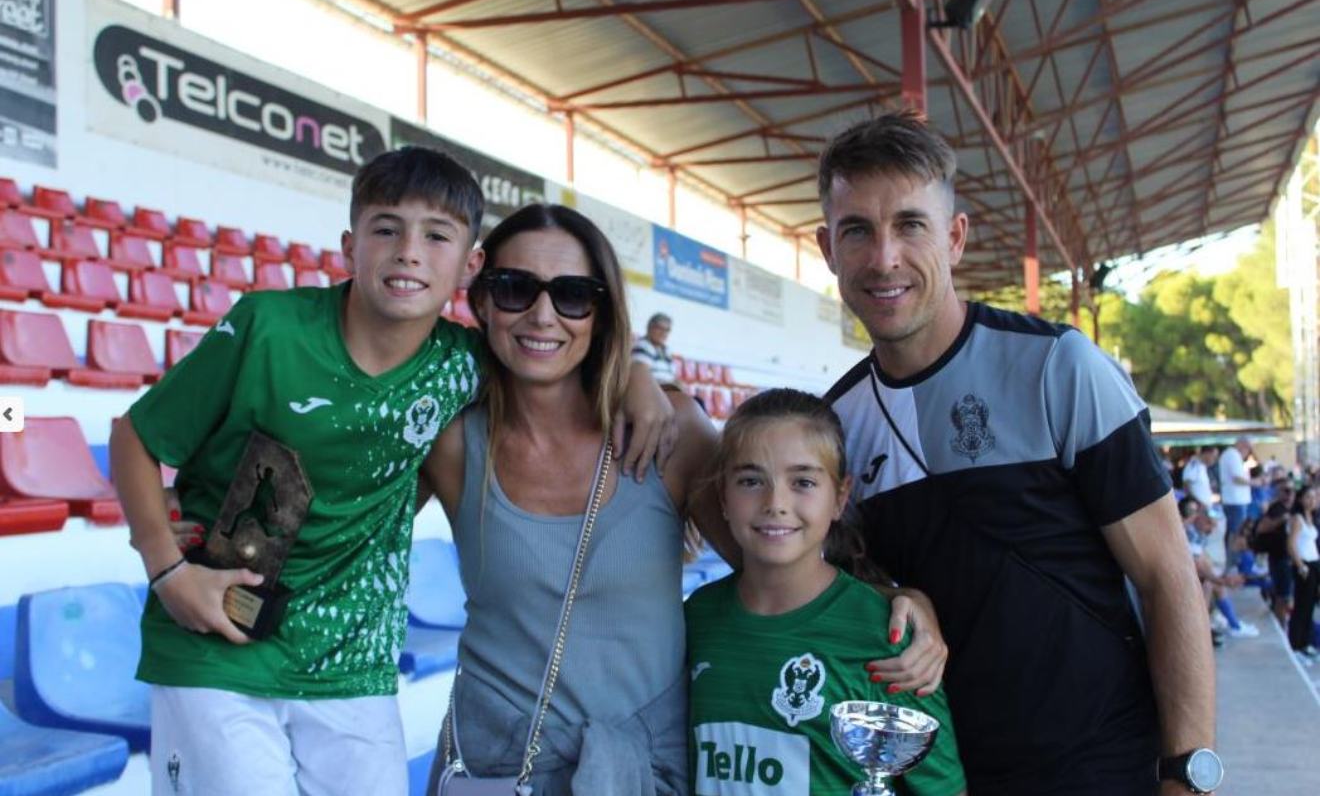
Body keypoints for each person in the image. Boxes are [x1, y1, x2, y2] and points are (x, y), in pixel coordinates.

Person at [109, 148, 675, 795]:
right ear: (350, 246)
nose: (409, 251)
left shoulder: (464, 364)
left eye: (436, 235)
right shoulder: (268, 327)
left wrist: (638, 376)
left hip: (353, 665)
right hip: (216, 644)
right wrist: (166, 569)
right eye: (386, 229)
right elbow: (134, 434)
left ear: (470, 266)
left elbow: (552, 355)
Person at [421, 204, 946, 795]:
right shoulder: (448, 442)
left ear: (602, 311)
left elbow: (778, 562)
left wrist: (896, 600)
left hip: (640, 770)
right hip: (493, 763)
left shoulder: (669, 431)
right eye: (515, 289)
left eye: (573, 294)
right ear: (483, 300)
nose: (543, 315)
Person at [815, 110, 1216, 795]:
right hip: (941, 775)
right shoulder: (836, 425)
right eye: (858, 230)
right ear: (827, 247)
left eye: (910, 224)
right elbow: (840, 590)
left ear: (956, 237)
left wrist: (1188, 773)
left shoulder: (1059, 367)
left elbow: (1168, 577)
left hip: (1099, 766)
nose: (884, 258)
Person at [686, 388, 966, 796]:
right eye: (750, 480)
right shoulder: (697, 618)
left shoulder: (887, 638)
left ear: (839, 496)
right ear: (723, 497)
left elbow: (945, 791)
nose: (775, 503)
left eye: (802, 481)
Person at [1179, 496, 1257, 639]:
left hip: (1193, 573)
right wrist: (1220, 580)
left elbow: (1202, 560)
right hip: (1181, 576)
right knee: (1210, 584)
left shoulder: (1197, 533)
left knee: (1212, 583)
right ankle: (1204, 631)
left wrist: (1219, 579)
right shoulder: (1184, 530)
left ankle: (1228, 626)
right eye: (1191, 512)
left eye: (1197, 512)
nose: (1196, 516)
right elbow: (1196, 564)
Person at [1253, 480, 1297, 625]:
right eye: (1285, 491)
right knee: (1283, 596)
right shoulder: (1276, 509)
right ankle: (1280, 625)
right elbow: (1261, 528)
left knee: (1287, 595)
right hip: (1279, 556)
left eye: (1291, 491)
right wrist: (1280, 520)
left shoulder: (1295, 509)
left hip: (1289, 558)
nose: (1289, 494)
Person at [1287, 485, 1320, 664]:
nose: (1312, 500)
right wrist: (1300, 566)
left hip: (1314, 563)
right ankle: (1296, 644)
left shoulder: (1311, 517)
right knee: (1301, 606)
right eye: (1308, 497)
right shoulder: (1297, 519)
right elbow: (1291, 544)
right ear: (1301, 499)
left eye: (1314, 497)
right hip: (1304, 565)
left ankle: (1305, 642)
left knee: (1310, 606)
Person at [1217, 437, 1256, 555]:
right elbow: (1237, 478)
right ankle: (1232, 561)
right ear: (1241, 444)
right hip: (1235, 502)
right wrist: (1255, 482)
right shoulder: (1232, 455)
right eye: (1248, 448)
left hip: (1236, 501)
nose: (1248, 451)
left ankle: (1233, 560)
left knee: (1236, 533)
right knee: (1236, 534)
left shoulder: (1232, 455)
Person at [632, 312, 677, 386]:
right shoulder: (642, 346)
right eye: (660, 328)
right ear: (649, 327)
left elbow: (673, 376)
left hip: (668, 391)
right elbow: (642, 378)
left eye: (667, 330)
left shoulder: (666, 350)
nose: (664, 333)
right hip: (653, 392)